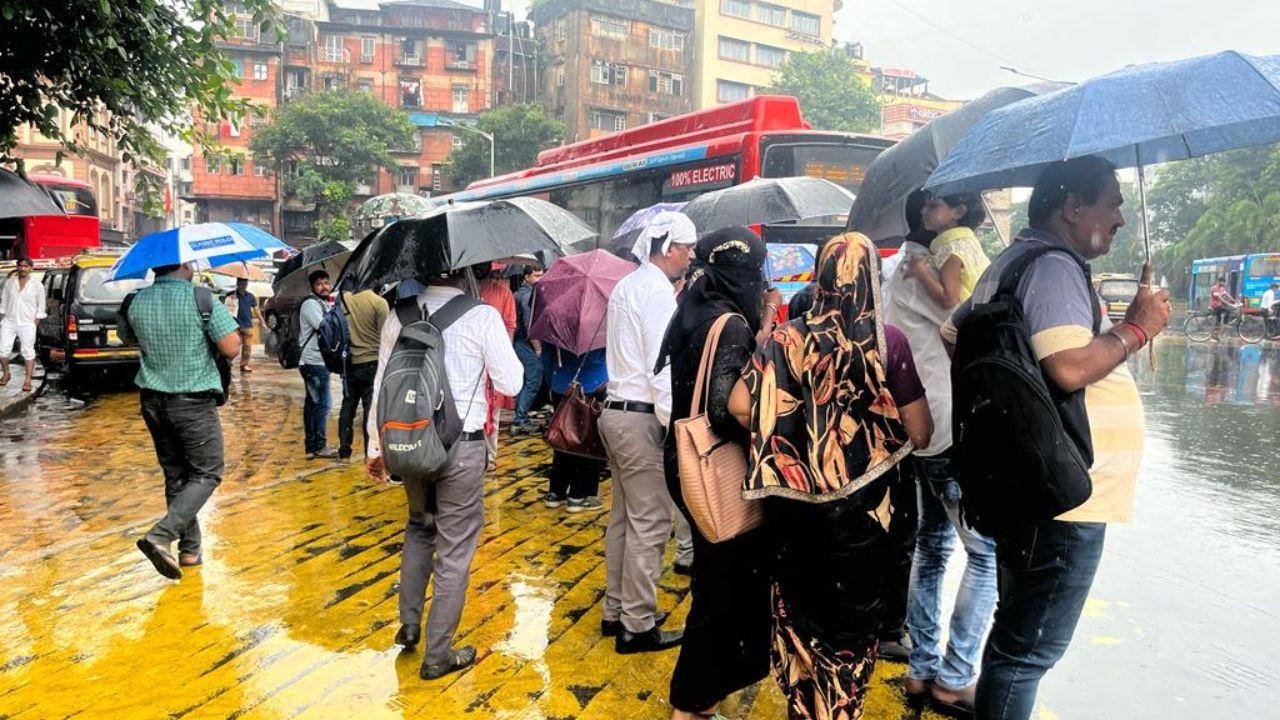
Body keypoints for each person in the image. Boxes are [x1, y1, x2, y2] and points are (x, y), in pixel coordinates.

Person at [943, 156, 1170, 719]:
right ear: (1072, 207)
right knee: (1027, 651)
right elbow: (1067, 368)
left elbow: (955, 334)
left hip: (1034, 483)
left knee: (1015, 638)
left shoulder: (1013, 261)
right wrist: (1136, 328)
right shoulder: (1054, 267)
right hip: (1064, 493)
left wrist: (1016, 410)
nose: (1118, 218)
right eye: (1110, 204)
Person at [728, 232, 932, 720]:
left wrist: (794, 441)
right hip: (865, 520)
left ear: (820, 276)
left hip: (792, 510)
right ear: (870, 281)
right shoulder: (888, 342)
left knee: (801, 615)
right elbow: (920, 433)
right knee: (849, 631)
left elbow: (739, 404)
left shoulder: (783, 338)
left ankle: (806, 704)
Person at [366, 267, 523, 680]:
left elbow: (382, 385)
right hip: (462, 446)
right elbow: (511, 380)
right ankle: (438, 655)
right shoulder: (482, 315)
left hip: (409, 440)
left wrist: (375, 446)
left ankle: (410, 624)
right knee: (454, 549)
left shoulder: (398, 315)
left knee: (418, 527)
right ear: (465, 271)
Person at [655, 227, 778, 720]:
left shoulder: (694, 307)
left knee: (715, 582)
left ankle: (697, 697)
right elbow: (726, 410)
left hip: (684, 458)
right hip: (716, 467)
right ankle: (691, 702)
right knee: (722, 590)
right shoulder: (729, 324)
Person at [885, 195, 997, 713]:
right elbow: (963, 312)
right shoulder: (924, 266)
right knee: (984, 552)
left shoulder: (894, 272)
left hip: (918, 427)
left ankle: (922, 669)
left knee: (931, 547)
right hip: (951, 423)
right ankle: (954, 676)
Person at [598, 210, 695, 654]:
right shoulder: (656, 292)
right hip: (641, 418)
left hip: (615, 413)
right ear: (669, 247)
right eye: (688, 248)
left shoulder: (627, 284)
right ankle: (636, 625)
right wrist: (675, 426)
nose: (691, 257)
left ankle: (616, 611)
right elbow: (662, 368)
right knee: (651, 523)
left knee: (624, 518)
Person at [121, 262, 241, 579]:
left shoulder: (135, 300)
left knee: (177, 475)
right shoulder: (201, 298)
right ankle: (161, 536)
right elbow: (230, 348)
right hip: (192, 402)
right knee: (207, 473)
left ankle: (189, 551)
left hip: (153, 400)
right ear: (184, 265)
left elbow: (126, 336)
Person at [541, 342, 608, 511]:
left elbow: (547, 357)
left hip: (561, 385)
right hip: (593, 383)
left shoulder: (556, 319)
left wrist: (554, 381)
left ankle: (556, 491)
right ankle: (579, 495)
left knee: (563, 435)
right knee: (587, 441)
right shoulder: (601, 322)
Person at [904, 192, 991, 310]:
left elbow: (949, 300)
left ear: (959, 212)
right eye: (925, 205)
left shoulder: (952, 250)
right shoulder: (967, 240)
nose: (923, 211)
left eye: (933, 206)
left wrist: (921, 271)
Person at [338, 287, 388, 461]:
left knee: (347, 407)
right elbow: (386, 334)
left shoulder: (344, 299)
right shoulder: (379, 303)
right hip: (372, 363)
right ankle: (370, 453)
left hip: (349, 363)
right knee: (370, 410)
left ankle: (344, 451)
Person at [299, 270, 336, 459]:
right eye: (319, 284)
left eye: (326, 283)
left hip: (314, 361)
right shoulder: (311, 304)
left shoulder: (321, 303)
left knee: (313, 405)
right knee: (323, 404)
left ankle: (311, 447)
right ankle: (319, 446)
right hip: (314, 362)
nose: (324, 287)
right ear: (312, 287)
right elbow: (323, 327)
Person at [0, 257, 45, 392]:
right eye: (21, 266)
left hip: (27, 322)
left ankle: (28, 379)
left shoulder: (37, 286)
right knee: (3, 350)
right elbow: (4, 303)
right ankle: (6, 374)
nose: (23, 269)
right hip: (9, 320)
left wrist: (36, 321)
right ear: (17, 267)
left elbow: (41, 306)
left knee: (28, 351)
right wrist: (2, 318)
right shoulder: (10, 283)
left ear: (31, 268)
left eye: (26, 266)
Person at [512, 265, 544, 433]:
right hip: (523, 342)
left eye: (541, 275)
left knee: (525, 378)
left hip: (520, 341)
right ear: (526, 277)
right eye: (536, 276)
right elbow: (528, 324)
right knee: (534, 376)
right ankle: (520, 419)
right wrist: (538, 348)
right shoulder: (527, 295)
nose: (540, 279)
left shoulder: (523, 293)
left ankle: (520, 415)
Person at [231, 277, 263, 372]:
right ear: (238, 283)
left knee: (247, 347)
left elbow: (256, 309)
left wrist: (262, 320)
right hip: (234, 325)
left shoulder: (250, 296)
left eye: (245, 283)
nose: (243, 285)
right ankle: (228, 363)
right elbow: (227, 309)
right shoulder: (232, 295)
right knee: (233, 346)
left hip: (247, 324)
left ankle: (244, 365)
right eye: (241, 283)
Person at [1209, 276, 1238, 341]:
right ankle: (1225, 323)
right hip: (1215, 305)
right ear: (1219, 282)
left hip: (1220, 304)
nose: (1225, 283)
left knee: (1219, 319)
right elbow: (1220, 298)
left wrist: (1234, 301)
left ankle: (1216, 335)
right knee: (1229, 309)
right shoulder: (1215, 288)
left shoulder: (1222, 288)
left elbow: (1226, 295)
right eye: (1224, 282)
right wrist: (1229, 304)